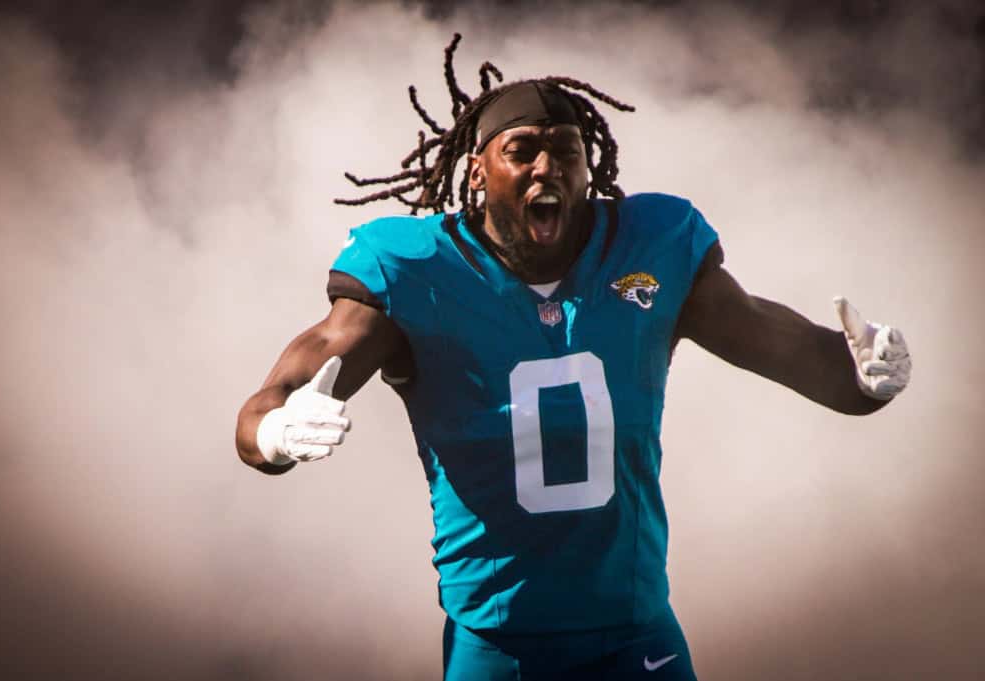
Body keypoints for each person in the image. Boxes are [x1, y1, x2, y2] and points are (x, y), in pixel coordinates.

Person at [235, 35, 911, 681]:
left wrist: (861, 377)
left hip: (635, 630)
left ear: (590, 169)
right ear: (478, 169)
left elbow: (770, 337)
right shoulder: (415, 271)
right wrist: (273, 430)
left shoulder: (651, 246)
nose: (546, 167)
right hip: (500, 641)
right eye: (522, 150)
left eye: (565, 150)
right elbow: (296, 377)